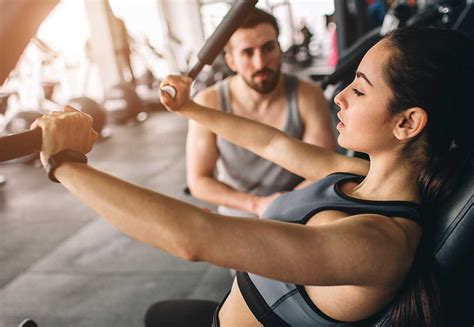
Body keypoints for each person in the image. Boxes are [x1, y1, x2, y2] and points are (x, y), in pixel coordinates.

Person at [31, 27, 473, 326]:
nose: (339, 97)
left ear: (408, 123)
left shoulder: (378, 244)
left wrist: (67, 164)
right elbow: (273, 144)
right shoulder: (362, 175)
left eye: (359, 88)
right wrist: (191, 109)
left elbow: (196, 236)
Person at [187, 8, 336, 217]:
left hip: (299, 206)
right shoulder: (208, 102)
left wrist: (281, 206)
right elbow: (199, 181)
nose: (261, 63)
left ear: (280, 49)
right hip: (239, 212)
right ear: (231, 61)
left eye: (268, 48)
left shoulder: (308, 95)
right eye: (247, 53)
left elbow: (323, 169)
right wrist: (256, 205)